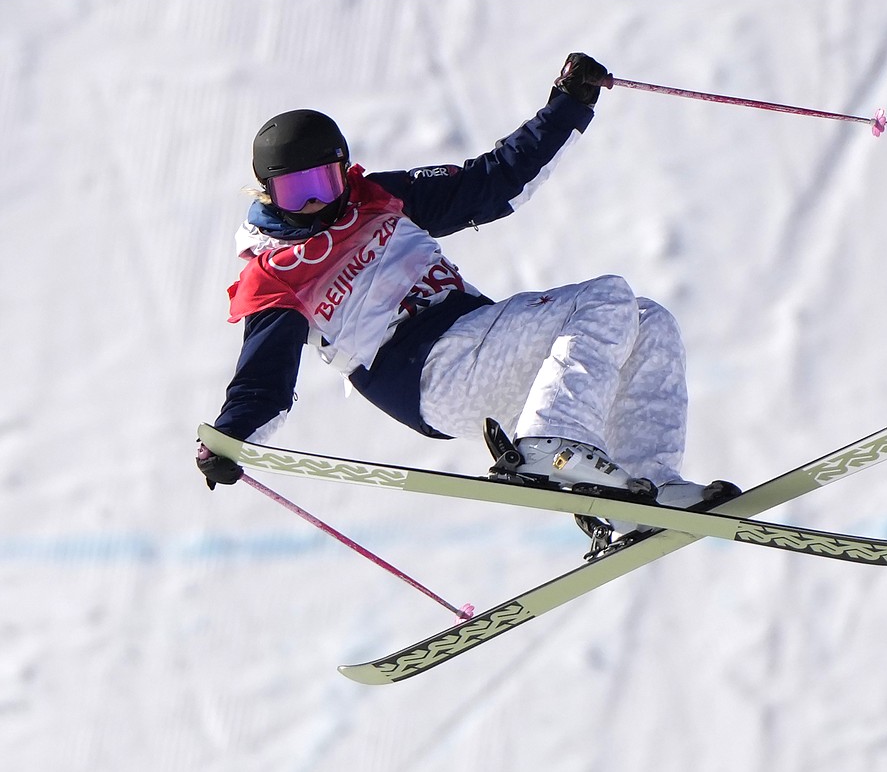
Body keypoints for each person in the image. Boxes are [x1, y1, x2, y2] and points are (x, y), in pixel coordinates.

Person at [196, 53, 738, 551]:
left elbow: (491, 180)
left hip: (476, 344)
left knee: (647, 321)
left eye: (325, 181)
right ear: (268, 192)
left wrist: (568, 104)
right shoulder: (275, 275)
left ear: (344, 171)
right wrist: (229, 439)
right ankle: (555, 447)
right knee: (604, 299)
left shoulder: (379, 199)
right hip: (421, 372)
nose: (315, 201)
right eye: (296, 191)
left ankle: (649, 493)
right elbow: (262, 380)